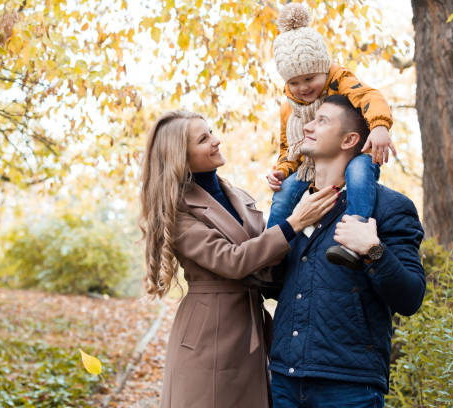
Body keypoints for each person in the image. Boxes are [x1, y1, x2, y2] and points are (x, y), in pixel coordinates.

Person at [139, 110, 338, 408]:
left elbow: (266, 253)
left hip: (249, 322)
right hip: (209, 332)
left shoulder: (236, 194)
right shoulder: (178, 211)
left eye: (211, 132)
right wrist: (295, 223)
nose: (216, 141)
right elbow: (232, 260)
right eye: (204, 139)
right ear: (182, 155)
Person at [268, 95, 426, 408]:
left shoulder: (389, 208)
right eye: (310, 119)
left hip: (349, 386)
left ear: (349, 139)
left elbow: (411, 298)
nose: (309, 126)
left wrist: (373, 250)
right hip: (285, 379)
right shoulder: (293, 209)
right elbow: (272, 286)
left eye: (322, 120)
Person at [267, 3, 397, 269]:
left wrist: (379, 125)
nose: (303, 88)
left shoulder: (340, 79)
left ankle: (353, 236)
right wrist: (282, 169)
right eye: (294, 82)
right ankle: (270, 250)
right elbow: (287, 147)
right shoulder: (289, 107)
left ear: (324, 68)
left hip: (355, 152)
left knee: (360, 173)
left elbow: (368, 96)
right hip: (308, 165)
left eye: (310, 78)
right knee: (284, 192)